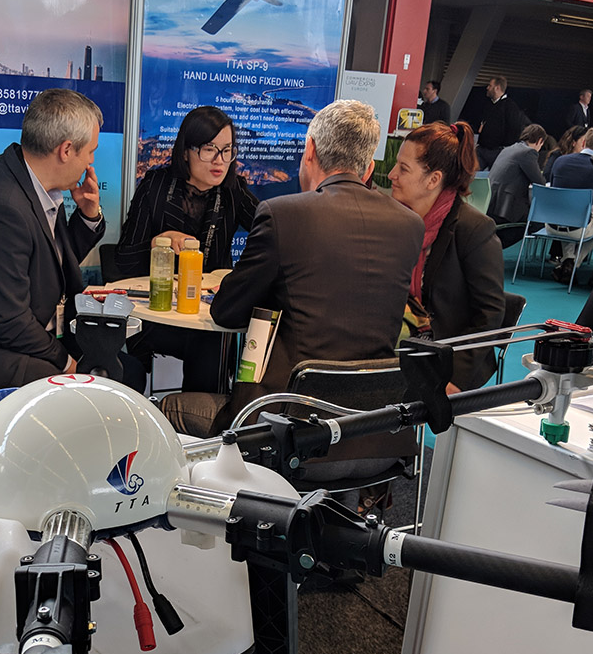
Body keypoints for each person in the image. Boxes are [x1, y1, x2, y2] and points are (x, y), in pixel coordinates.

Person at [157, 99, 424, 437]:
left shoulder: (283, 215)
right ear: (369, 168)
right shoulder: (409, 225)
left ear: (309, 150)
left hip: (286, 424)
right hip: (372, 428)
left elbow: (226, 312)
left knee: (167, 409)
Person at [0, 88, 141, 399]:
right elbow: (9, 322)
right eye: (90, 151)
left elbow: (51, 263)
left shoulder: (33, 182)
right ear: (66, 150)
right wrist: (68, 363)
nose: (91, 161)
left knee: (128, 372)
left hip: (30, 334)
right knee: (96, 390)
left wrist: (88, 216)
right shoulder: (2, 207)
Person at [114, 106, 259, 391]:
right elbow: (123, 260)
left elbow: (270, 231)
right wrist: (157, 243)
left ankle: (195, 416)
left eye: (227, 150)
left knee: (211, 344)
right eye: (209, 149)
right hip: (157, 314)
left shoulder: (234, 191)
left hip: (207, 318)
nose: (220, 161)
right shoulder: (155, 186)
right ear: (185, 152)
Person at [389, 121, 506, 392]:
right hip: (403, 343)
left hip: (449, 357)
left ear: (433, 179)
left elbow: (490, 315)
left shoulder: (473, 229)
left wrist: (456, 378)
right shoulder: (398, 220)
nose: (392, 175)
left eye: (403, 168)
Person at [547, 125, 593, 284]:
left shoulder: (560, 161)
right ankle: (574, 263)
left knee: (569, 213)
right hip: (577, 228)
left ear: (583, 143)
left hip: (551, 223)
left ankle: (568, 259)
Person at [487, 123, 547, 224]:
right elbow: (539, 182)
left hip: (491, 206)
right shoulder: (528, 152)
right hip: (508, 210)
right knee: (540, 222)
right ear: (540, 141)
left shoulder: (507, 149)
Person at [476, 75, 530, 170]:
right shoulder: (488, 105)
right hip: (482, 148)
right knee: (471, 173)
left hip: (497, 151)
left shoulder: (510, 106)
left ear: (497, 88)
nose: (487, 88)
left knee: (494, 176)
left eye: (490, 85)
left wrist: (504, 147)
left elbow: (514, 128)